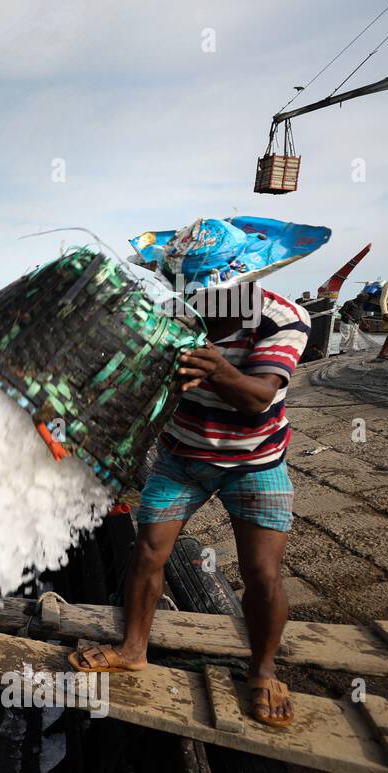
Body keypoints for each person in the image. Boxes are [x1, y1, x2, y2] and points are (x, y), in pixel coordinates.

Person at [70, 282, 309, 729]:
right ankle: (133, 650)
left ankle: (263, 671)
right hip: (182, 457)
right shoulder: (172, 315)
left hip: (256, 460)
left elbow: (259, 398)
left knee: (262, 572)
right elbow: (136, 381)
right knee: (148, 552)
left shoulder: (284, 317)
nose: (204, 301)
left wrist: (217, 369)